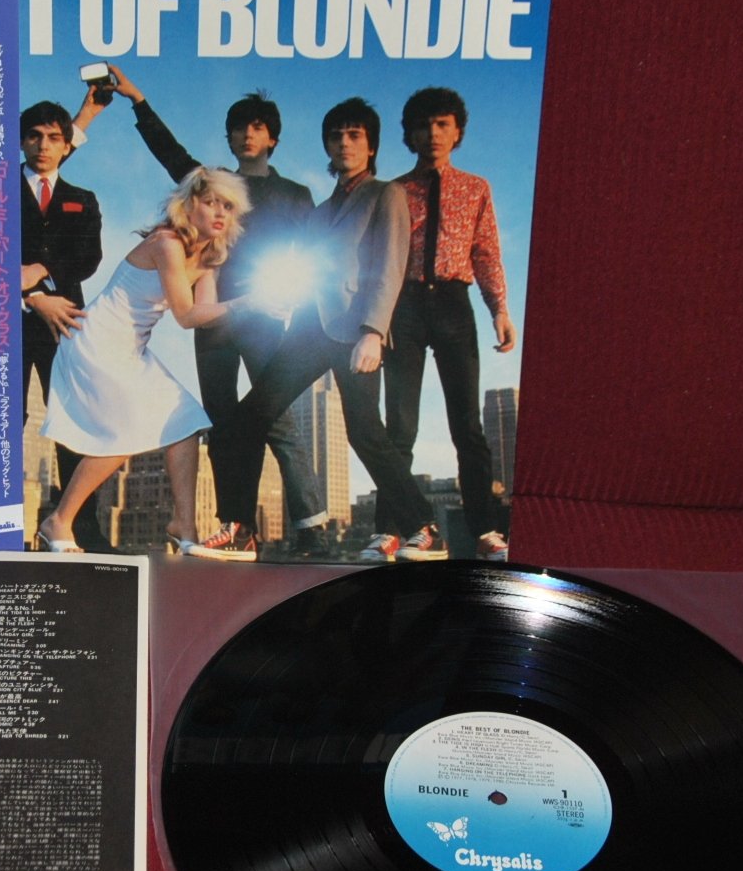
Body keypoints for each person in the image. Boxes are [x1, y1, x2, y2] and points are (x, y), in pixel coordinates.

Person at [85, 67, 330, 557]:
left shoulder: (295, 195)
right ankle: (235, 526)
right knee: (221, 419)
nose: (247, 135)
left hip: (264, 317)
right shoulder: (212, 186)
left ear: (273, 138)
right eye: (239, 128)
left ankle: (312, 527)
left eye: (257, 127)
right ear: (230, 137)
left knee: (277, 420)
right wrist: (138, 100)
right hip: (211, 313)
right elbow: (169, 152)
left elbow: (318, 256)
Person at [190, 99, 446, 563]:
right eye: (336, 136)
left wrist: (373, 332)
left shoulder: (385, 194)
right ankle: (240, 529)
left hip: (355, 331)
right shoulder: (321, 209)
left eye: (354, 136)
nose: (344, 144)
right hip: (308, 328)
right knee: (249, 417)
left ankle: (423, 527)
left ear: (371, 146)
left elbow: (390, 266)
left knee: (364, 432)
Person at [36, 166, 251, 553]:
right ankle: (59, 521)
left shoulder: (210, 258)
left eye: (228, 206)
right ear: (189, 205)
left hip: (130, 348)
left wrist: (252, 308)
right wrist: (246, 305)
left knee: (185, 422)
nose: (220, 212)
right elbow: (186, 315)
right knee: (126, 429)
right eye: (211, 202)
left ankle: (184, 527)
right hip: (96, 340)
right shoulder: (167, 243)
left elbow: (205, 314)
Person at [382, 87, 516, 561]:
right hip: (404, 306)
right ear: (410, 135)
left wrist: (499, 308)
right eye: (424, 126)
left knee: (468, 426)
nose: (433, 134)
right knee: (400, 425)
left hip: (455, 304)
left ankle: (485, 530)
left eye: (443, 124)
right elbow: (382, 256)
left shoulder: (476, 188)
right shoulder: (394, 190)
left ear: (457, 132)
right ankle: (390, 530)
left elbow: (486, 251)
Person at [18, 100, 112, 551]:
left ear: (66, 145)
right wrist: (32, 298)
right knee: (1, 421)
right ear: (22, 141)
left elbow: (88, 258)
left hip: (65, 322)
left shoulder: (83, 198)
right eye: (35, 136)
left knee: (74, 421)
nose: (43, 145)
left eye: (54, 138)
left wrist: (39, 269)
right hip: (3, 324)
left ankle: (79, 526)